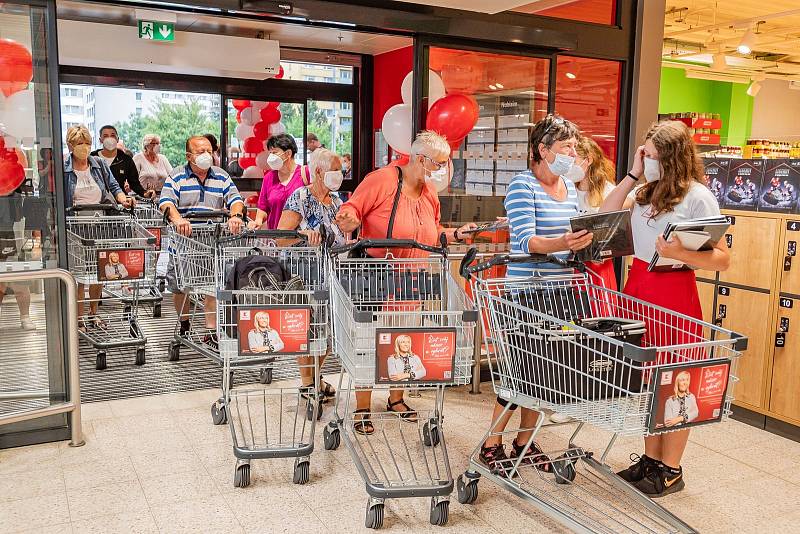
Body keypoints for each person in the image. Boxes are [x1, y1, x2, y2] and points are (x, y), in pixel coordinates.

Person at [601, 120, 730, 497]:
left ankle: (671, 469)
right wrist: (633, 172)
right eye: (646, 155)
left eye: (655, 157)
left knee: (675, 380)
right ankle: (651, 459)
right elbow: (606, 214)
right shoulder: (643, 192)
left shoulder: (697, 197)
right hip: (638, 288)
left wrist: (679, 252)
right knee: (647, 380)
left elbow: (722, 260)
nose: (650, 161)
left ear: (673, 158)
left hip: (674, 291)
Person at [334, 130, 476, 435]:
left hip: (412, 277)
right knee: (369, 341)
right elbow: (351, 210)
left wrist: (455, 234)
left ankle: (396, 398)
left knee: (405, 340)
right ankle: (361, 406)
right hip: (375, 276)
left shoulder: (429, 193)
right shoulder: (382, 180)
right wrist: (347, 217)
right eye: (439, 163)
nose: (442, 170)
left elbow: (433, 231)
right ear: (420, 159)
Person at [478, 114, 594, 475]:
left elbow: (570, 235)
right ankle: (491, 443)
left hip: (561, 290)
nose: (571, 154)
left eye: (574, 148)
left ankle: (524, 441)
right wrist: (563, 242)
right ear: (542, 150)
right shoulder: (521, 186)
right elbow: (525, 240)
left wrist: (587, 244)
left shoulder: (570, 188)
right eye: (564, 148)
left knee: (546, 372)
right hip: (524, 292)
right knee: (519, 371)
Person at [276, 148, 345, 400]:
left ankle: (315, 377)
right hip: (302, 274)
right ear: (318, 171)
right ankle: (308, 384)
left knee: (328, 331)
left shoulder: (337, 201)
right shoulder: (300, 197)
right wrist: (303, 235)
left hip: (332, 274)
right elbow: (281, 237)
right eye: (335, 170)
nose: (340, 175)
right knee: (307, 328)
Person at [159, 135, 245, 336]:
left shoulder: (222, 176)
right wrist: (178, 219)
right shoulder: (177, 176)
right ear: (189, 156)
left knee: (212, 285)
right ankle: (184, 323)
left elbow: (235, 198)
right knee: (180, 286)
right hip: (184, 242)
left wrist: (236, 215)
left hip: (211, 240)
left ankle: (211, 330)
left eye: (209, 151)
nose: (207, 155)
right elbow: (166, 202)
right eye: (200, 152)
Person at [64, 125, 134, 330]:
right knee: (79, 276)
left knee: (98, 273)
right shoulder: (65, 168)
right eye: (79, 143)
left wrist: (124, 199)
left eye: (87, 143)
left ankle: (94, 313)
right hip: (76, 228)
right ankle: (78, 318)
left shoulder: (99, 165)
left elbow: (114, 187)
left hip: (100, 225)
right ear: (70, 146)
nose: (84, 147)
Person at [568, 136, 618, 290]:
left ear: (588, 160)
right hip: (571, 264)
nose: (569, 166)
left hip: (598, 267)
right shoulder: (567, 189)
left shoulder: (608, 191)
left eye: (574, 161)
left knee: (599, 311)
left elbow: (616, 230)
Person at [248, 134, 309, 230]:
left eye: (275, 153)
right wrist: (258, 221)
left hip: (302, 238)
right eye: (270, 153)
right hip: (276, 237)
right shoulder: (269, 178)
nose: (271, 157)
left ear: (288, 153)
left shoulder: (305, 174)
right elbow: (263, 207)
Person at [91, 125, 150, 198]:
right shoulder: (92, 158)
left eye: (112, 136)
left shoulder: (126, 159)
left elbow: (134, 183)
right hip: (96, 200)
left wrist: (144, 193)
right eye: (106, 136)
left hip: (120, 201)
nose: (109, 138)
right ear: (100, 140)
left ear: (117, 139)